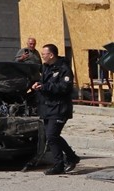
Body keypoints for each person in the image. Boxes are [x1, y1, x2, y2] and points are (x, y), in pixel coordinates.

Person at [31, 43, 80, 175]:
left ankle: (59, 164)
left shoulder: (64, 68)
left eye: (43, 54)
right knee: (52, 136)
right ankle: (71, 157)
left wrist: (45, 87)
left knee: (52, 136)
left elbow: (65, 88)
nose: (42, 56)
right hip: (48, 107)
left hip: (60, 107)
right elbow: (45, 83)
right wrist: (39, 85)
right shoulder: (46, 67)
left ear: (51, 55)